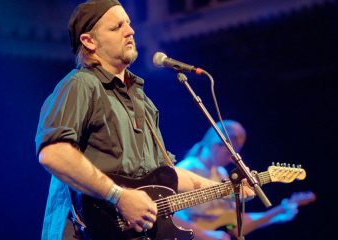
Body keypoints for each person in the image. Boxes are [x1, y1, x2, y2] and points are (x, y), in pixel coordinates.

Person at [35, 1, 254, 240]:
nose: (130, 31)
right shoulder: (80, 84)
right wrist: (118, 196)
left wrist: (225, 190)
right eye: (117, 26)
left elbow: (165, 174)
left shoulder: (142, 100)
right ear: (89, 41)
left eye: (128, 23)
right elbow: (53, 152)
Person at [174, 120, 315, 240]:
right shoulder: (187, 169)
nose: (232, 159)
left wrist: (277, 214)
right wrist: (206, 235)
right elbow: (169, 215)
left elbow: (232, 223)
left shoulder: (221, 173)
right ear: (217, 143)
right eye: (231, 151)